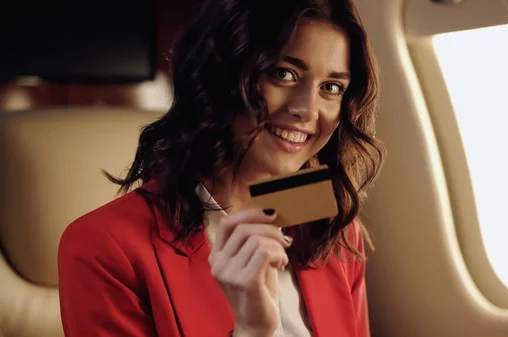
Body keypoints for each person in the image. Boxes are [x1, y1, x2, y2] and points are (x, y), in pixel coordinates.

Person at [57, 0, 384, 336]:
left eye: (331, 88)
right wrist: (251, 329)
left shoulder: (334, 227)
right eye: (283, 73)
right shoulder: (102, 246)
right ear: (221, 76)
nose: (306, 109)